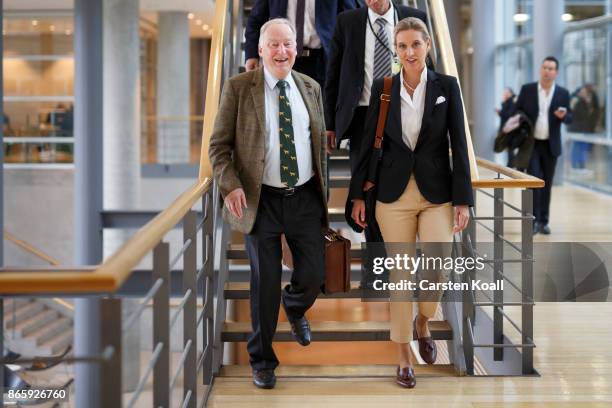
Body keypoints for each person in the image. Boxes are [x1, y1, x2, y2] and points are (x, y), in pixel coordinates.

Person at [347, 17, 473, 388]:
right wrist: (357, 194)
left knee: (436, 265)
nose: (409, 52)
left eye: (415, 45)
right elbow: (367, 143)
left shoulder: (447, 87)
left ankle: (423, 320)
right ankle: (403, 355)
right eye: (402, 46)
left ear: (428, 46)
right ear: (396, 51)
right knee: (400, 276)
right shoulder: (384, 87)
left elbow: (459, 147)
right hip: (392, 195)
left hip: (438, 194)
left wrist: (463, 200)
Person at [209, 18, 328, 390]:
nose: (282, 51)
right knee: (264, 285)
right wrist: (229, 186)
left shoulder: (310, 86)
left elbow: (317, 143)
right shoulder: (239, 88)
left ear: (297, 48)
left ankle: (295, 307)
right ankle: (262, 360)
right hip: (261, 200)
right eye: (273, 45)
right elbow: (219, 147)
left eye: (288, 44)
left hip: (305, 196)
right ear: (259, 50)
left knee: (313, 275)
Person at [325, 0, 426, 168]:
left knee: (398, 173)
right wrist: (329, 123)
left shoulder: (414, 17)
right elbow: (333, 75)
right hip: (362, 113)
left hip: (402, 110)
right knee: (361, 178)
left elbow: (426, 67)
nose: (373, 1)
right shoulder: (347, 21)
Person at [515, 56, 572, 235]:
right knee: (532, 182)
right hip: (532, 144)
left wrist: (564, 116)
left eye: (551, 68)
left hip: (550, 145)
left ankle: (543, 221)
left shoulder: (563, 93)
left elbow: (570, 118)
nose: (547, 71)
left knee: (546, 184)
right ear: (540, 70)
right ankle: (531, 222)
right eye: (545, 68)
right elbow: (516, 111)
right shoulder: (528, 89)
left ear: (556, 72)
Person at [243, 0, 358, 88]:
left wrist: (349, 57)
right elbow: (255, 20)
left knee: (319, 112)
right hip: (282, 58)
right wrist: (252, 55)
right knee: (281, 109)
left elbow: (350, 21)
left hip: (322, 60)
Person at [569, 84, 599, 170]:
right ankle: (576, 165)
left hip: (582, 129)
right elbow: (582, 115)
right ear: (580, 93)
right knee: (577, 148)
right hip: (577, 129)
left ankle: (581, 165)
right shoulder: (578, 101)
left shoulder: (582, 101)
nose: (586, 95)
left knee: (582, 148)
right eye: (584, 93)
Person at [496, 87, 516, 167]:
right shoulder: (508, 102)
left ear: (510, 93)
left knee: (510, 148)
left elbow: (509, 115)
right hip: (507, 128)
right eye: (504, 93)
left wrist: (500, 112)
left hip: (510, 129)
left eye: (506, 93)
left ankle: (511, 166)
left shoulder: (512, 102)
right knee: (509, 148)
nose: (504, 94)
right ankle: (510, 165)